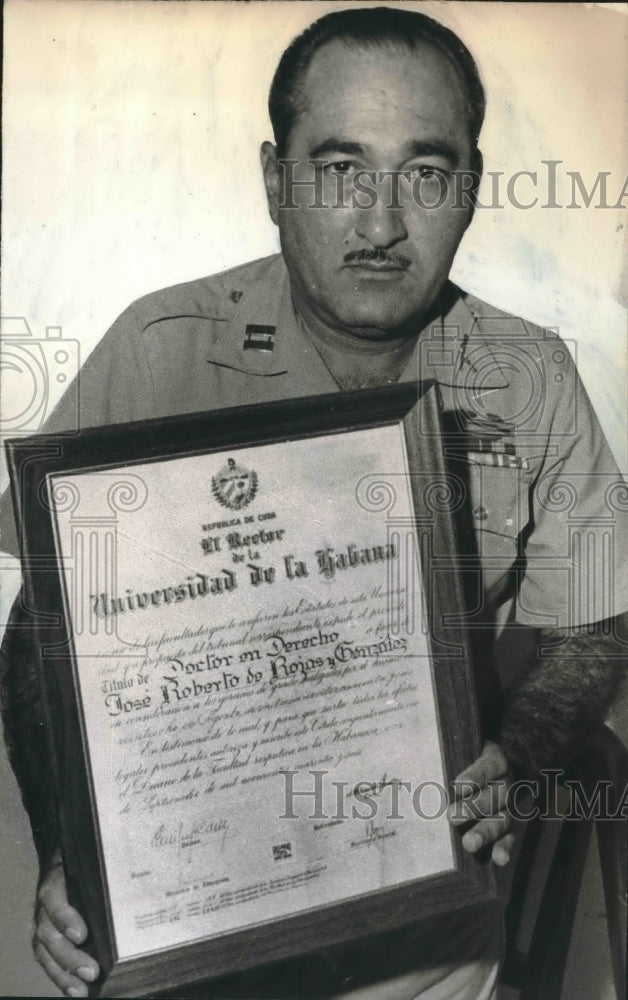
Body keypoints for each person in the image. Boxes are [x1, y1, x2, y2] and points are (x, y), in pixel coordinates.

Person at [1, 6, 626, 999]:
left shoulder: (529, 373)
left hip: (416, 932)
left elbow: (590, 621)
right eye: (340, 170)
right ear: (273, 179)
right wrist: (65, 851)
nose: (380, 223)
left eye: (424, 172)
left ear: (469, 185)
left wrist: (519, 755)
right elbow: (45, 625)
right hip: (181, 914)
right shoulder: (158, 349)